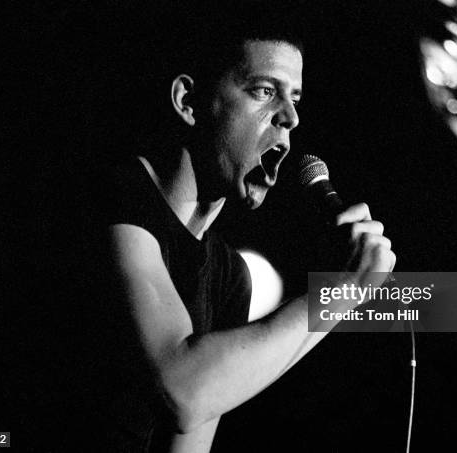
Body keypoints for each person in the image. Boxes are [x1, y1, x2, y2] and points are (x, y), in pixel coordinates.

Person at [90, 4, 396, 452]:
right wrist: (339, 291)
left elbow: (192, 430)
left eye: (295, 98)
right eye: (265, 91)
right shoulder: (116, 195)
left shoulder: (228, 276)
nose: (289, 116)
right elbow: (182, 388)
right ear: (189, 102)